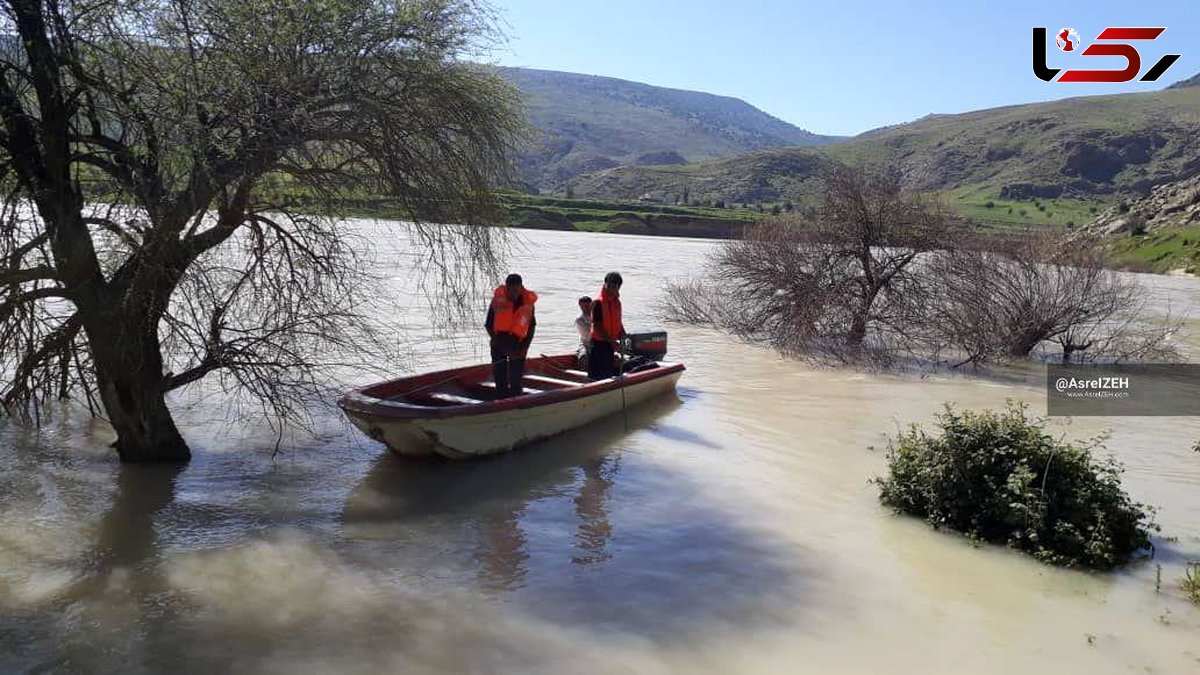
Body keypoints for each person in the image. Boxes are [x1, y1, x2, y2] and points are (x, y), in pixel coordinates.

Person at [485, 273, 537, 397]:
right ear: (506, 288)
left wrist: (524, 348)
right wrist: (503, 347)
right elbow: (488, 325)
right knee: (500, 380)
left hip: (518, 344)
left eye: (516, 290)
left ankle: (517, 404)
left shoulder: (528, 304)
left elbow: (531, 327)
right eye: (511, 290)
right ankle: (501, 403)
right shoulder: (497, 301)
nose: (514, 294)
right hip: (499, 342)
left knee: (516, 382)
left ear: (521, 288)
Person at [588, 271, 626, 380]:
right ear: (605, 284)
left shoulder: (616, 302)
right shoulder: (598, 302)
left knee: (608, 374)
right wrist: (613, 343)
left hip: (610, 344)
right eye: (611, 285)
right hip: (599, 344)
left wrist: (623, 333)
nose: (613, 288)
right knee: (597, 376)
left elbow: (617, 321)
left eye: (616, 286)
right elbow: (598, 327)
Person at [574, 295, 593, 369]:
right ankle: (584, 374)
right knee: (584, 356)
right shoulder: (579, 320)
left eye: (587, 306)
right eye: (583, 306)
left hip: (600, 342)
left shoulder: (599, 317)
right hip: (586, 344)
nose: (585, 308)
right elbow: (587, 336)